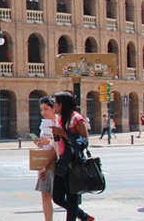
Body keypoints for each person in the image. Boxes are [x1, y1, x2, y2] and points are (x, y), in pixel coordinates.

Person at [51, 92, 95, 221]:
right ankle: (83, 216)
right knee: (57, 197)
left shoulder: (77, 118)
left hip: (73, 163)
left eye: (56, 103)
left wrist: (64, 133)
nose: (55, 106)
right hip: (62, 161)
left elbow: (84, 141)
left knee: (72, 197)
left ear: (62, 103)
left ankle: (77, 216)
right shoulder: (59, 118)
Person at [33, 97, 58, 221]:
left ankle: (80, 214)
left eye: (46, 109)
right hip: (44, 160)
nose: (44, 112)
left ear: (54, 108)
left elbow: (61, 142)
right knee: (45, 194)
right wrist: (39, 143)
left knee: (58, 196)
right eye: (42, 110)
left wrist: (50, 141)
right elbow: (44, 143)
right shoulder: (44, 124)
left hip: (56, 161)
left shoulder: (59, 122)